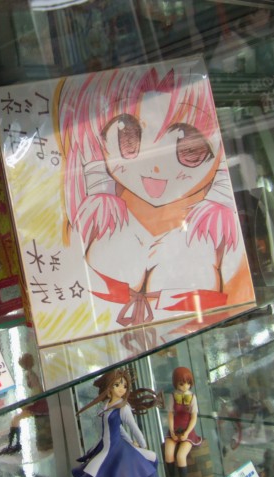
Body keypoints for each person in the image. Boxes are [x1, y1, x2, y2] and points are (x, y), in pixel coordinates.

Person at [58, 62, 252, 327]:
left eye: (188, 148)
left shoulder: (218, 230)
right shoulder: (97, 217)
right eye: (128, 139)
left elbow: (234, 306)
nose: (156, 166)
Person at [73, 369, 159, 477]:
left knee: (95, 472)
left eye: (125, 386)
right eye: (117, 385)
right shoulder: (105, 405)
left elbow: (134, 428)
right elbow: (119, 429)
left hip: (115, 448)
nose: (121, 389)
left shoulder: (123, 408)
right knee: (93, 472)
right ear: (109, 386)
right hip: (105, 446)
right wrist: (129, 442)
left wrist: (143, 445)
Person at [0, 353, 49, 455]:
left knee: (16, 419)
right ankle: (14, 443)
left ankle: (15, 444)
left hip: (39, 405)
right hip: (37, 402)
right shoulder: (31, 374)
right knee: (15, 419)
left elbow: (36, 392)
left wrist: (27, 403)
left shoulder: (31, 375)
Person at [164, 366, 202, 477]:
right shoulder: (172, 396)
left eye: (188, 383)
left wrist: (187, 432)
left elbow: (194, 417)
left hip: (187, 431)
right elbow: (170, 415)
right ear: (176, 383)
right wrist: (172, 431)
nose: (185, 386)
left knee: (181, 456)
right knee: (168, 454)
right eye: (181, 384)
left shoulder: (192, 397)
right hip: (175, 429)